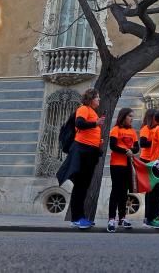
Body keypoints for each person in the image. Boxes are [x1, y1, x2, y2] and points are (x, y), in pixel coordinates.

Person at [68, 88, 104, 230]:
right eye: (97, 97)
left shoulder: (93, 112)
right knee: (80, 186)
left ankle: (80, 217)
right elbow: (79, 124)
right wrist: (96, 124)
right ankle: (77, 218)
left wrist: (98, 144)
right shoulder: (84, 109)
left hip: (90, 151)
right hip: (82, 150)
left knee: (83, 186)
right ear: (91, 98)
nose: (99, 100)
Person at [107, 107, 139, 232]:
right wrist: (127, 151)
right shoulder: (116, 129)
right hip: (116, 164)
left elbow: (136, 147)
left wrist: (132, 151)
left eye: (132, 116)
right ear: (124, 116)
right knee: (115, 191)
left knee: (124, 192)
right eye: (130, 116)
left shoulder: (132, 131)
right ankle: (111, 219)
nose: (132, 118)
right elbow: (113, 146)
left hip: (128, 165)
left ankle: (122, 218)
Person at [141, 109, 159, 229]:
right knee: (157, 193)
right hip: (157, 164)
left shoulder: (158, 129)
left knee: (155, 192)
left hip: (157, 163)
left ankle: (150, 217)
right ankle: (152, 218)